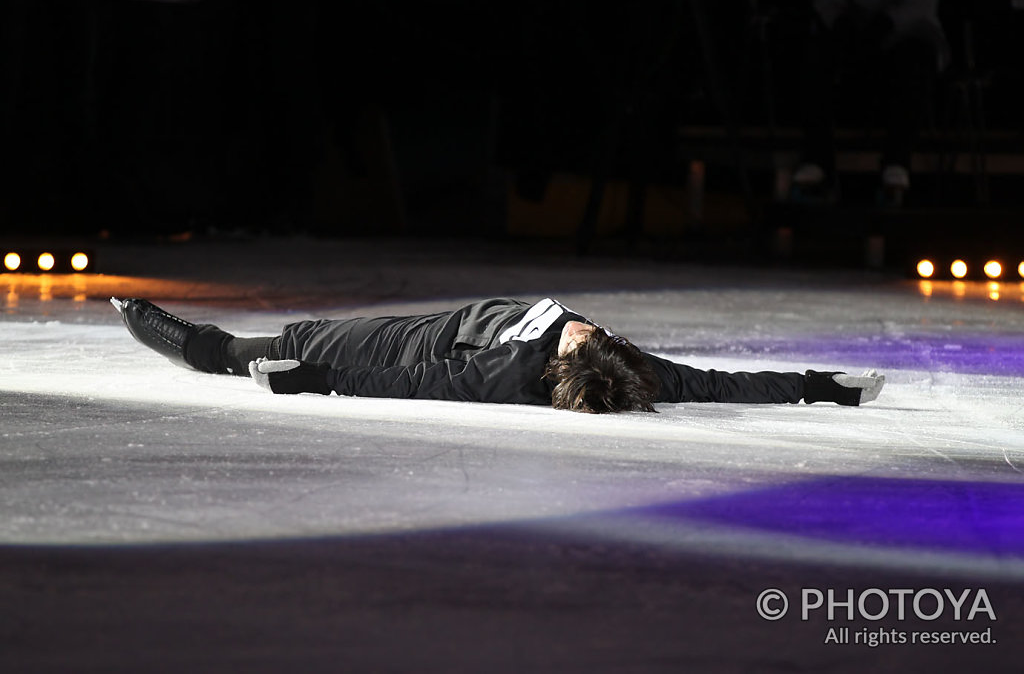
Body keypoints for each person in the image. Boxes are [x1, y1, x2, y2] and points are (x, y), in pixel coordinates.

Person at [111, 297, 885, 413]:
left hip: (396, 343)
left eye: (585, 339)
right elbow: (722, 383)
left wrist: (313, 379)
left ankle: (149, 321)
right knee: (292, 335)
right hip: (427, 316)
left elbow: (409, 381)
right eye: (597, 336)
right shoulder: (634, 364)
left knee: (251, 349)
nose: (590, 327)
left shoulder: (504, 372)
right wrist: (824, 386)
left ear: (563, 363)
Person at [792, 0, 948, 204]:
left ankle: (897, 160)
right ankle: (817, 157)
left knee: (916, 61)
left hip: (907, 33)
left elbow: (921, 3)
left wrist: (886, 23)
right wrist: (840, 21)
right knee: (815, 56)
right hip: (851, 32)